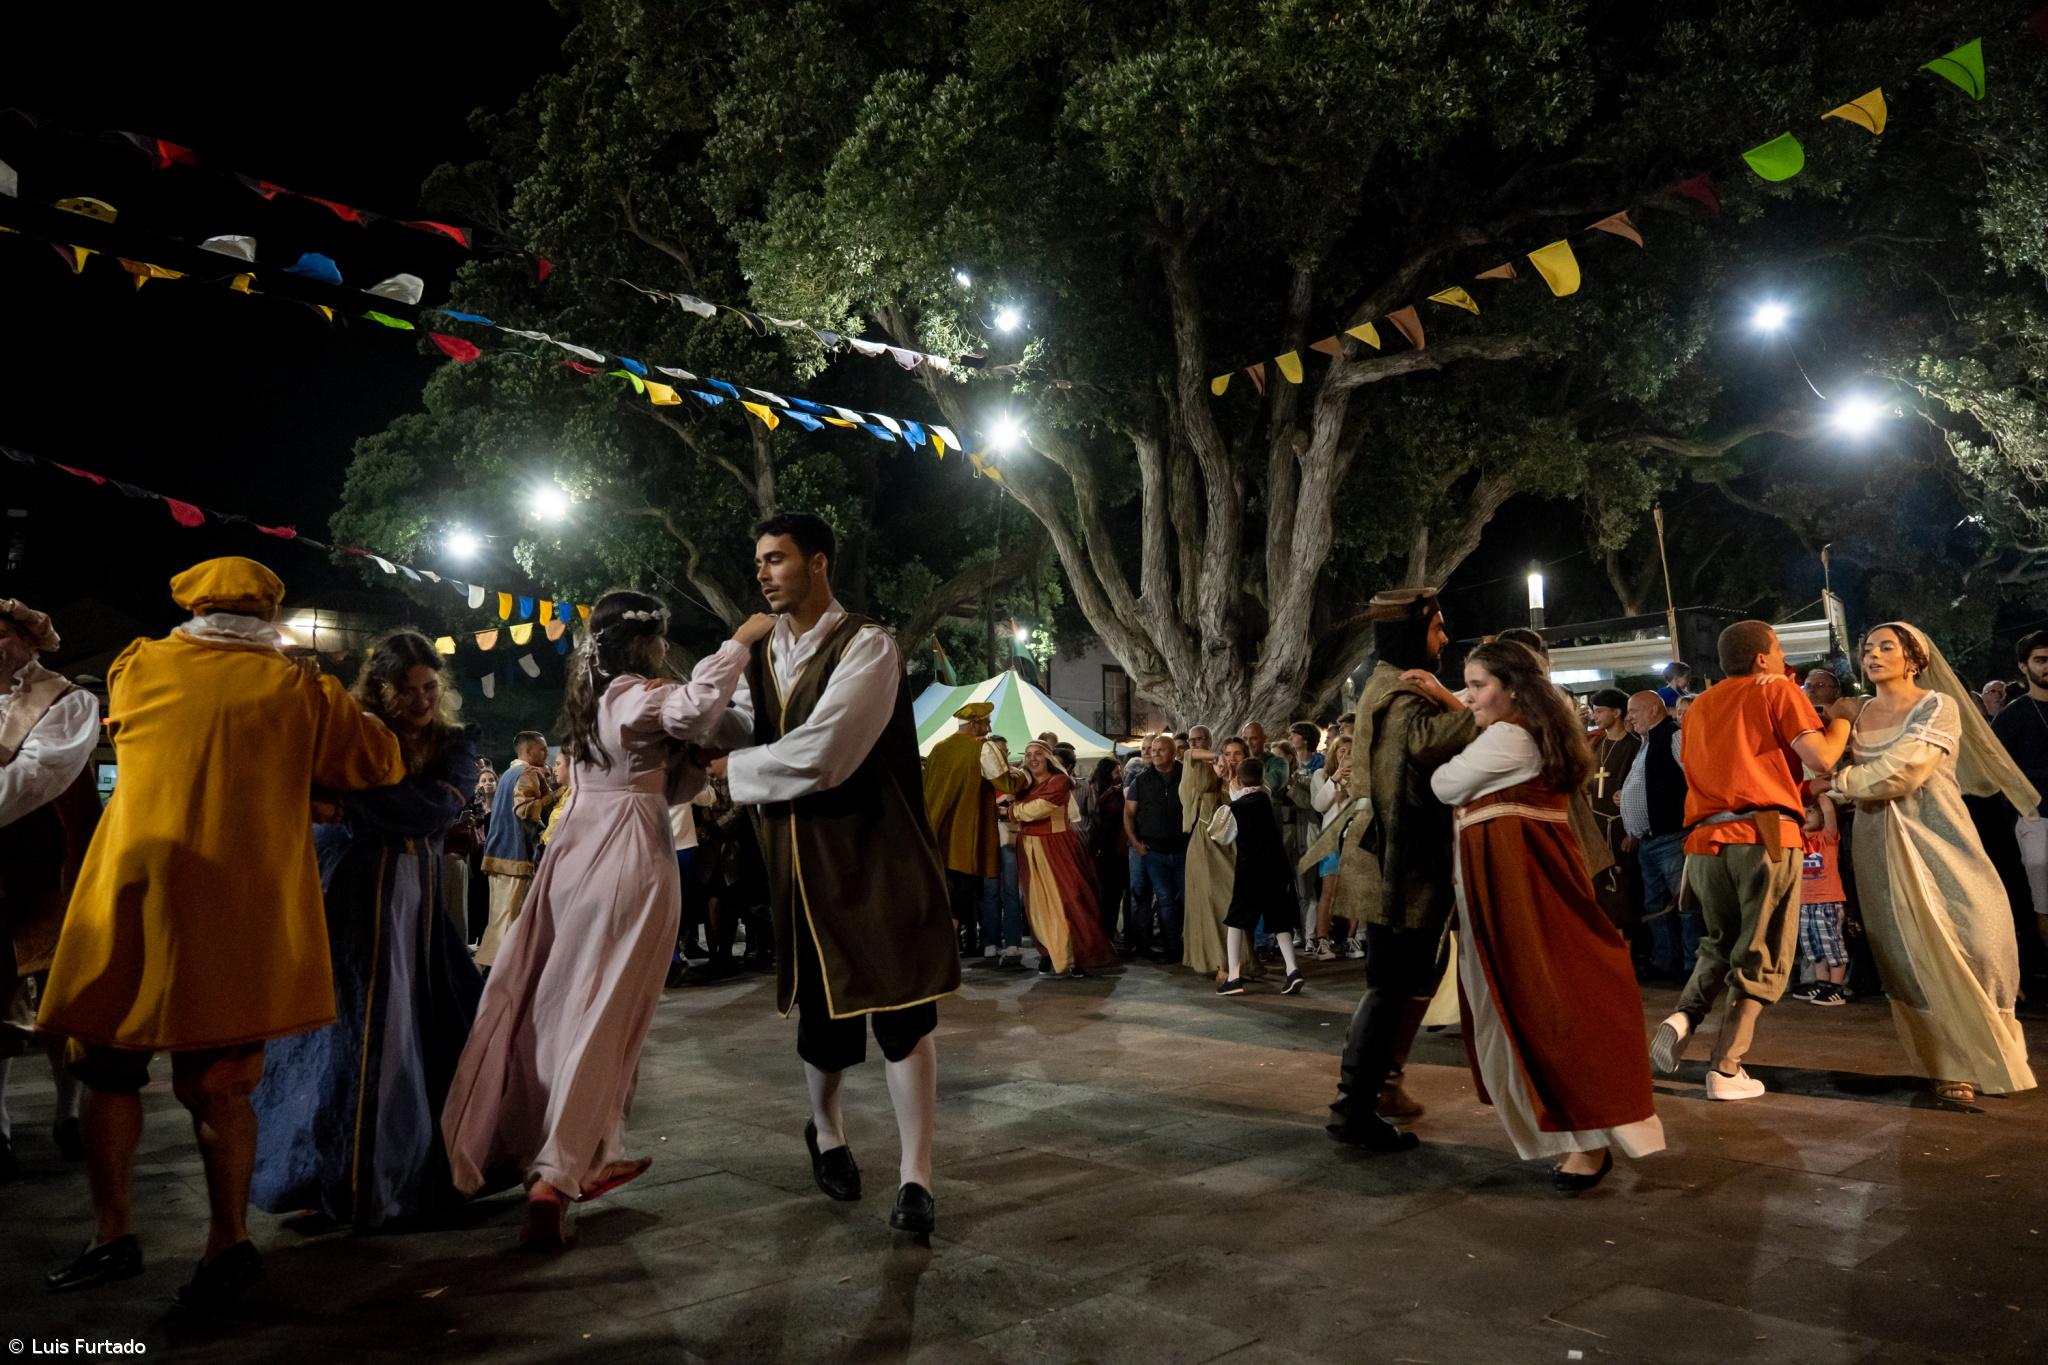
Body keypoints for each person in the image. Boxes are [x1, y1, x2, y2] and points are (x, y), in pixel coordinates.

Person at [38, 557, 404, 1305]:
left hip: (133, 893)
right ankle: (227, 1242)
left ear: (193, 607)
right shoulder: (301, 688)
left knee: (104, 1070)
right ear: (270, 617)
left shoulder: (137, 665)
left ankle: (112, 1236)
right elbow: (378, 762)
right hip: (235, 907)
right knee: (219, 1088)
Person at [444, 593, 769, 1248]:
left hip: (576, 852)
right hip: (628, 855)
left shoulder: (591, 701)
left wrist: (695, 756)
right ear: (648, 642)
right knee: (609, 1011)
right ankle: (558, 1169)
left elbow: (678, 769)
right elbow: (697, 706)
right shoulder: (638, 693)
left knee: (559, 1004)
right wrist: (740, 641)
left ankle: (584, 1150)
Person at [704, 514, 955, 1238]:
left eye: (776, 558)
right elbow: (726, 721)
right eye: (758, 561)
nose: (762, 572)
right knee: (824, 1026)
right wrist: (712, 677)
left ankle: (917, 1177)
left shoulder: (869, 645)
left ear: (819, 563)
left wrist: (732, 769)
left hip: (878, 857)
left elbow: (828, 750)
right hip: (802, 868)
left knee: (904, 1015)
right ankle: (827, 1127)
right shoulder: (762, 654)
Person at [250, 631, 482, 1228]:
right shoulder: (344, 730)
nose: (426, 700)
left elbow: (430, 811)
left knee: (408, 1027)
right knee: (329, 1035)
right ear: (381, 690)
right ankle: (320, 1177)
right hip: (341, 892)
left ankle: (405, 1175)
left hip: (411, 901)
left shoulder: (453, 743)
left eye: (432, 688)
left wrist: (351, 805)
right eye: (412, 692)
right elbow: (302, 787)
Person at [1428, 641, 1664, 1190]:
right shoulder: (1519, 733)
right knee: (1537, 1007)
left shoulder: (1511, 738)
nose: (1469, 697)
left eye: (1478, 685)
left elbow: (1445, 784)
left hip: (1524, 894)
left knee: (1546, 1006)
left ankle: (1589, 1142)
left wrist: (1451, 711)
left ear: (1513, 689)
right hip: (1514, 890)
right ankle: (1577, 1137)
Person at [1818, 623, 2036, 1103]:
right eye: (1868, 648)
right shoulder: (1855, 715)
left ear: (1914, 659)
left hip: (1940, 837)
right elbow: (1818, 763)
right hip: (1877, 845)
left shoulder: (1938, 706)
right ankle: (1946, 1066)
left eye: (1886, 647)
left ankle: (1996, 1053)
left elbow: (1905, 769)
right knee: (1905, 954)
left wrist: (1841, 782)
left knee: (1979, 936)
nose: (1873, 655)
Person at [1649, 621, 1856, 1100]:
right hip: (1763, 837)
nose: (1783, 659)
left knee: (1719, 943)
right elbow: (1822, 756)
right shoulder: (1777, 689)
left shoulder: (1698, 707)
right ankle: (1726, 1068)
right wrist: (1843, 718)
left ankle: (1684, 1017)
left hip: (1705, 841)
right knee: (1763, 953)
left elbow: (1734, 773)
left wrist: (1798, 790)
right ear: (1763, 658)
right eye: (1778, 649)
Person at [1326, 588, 1476, 1152]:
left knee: (1397, 985)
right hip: (1403, 869)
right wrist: (1471, 707)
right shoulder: (1406, 694)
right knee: (1390, 987)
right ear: (1417, 631)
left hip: (1396, 865)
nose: (1444, 638)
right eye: (1438, 628)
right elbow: (1435, 750)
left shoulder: (1384, 684)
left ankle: (1374, 1094)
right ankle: (1355, 1109)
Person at [0, 597, 101, 1179]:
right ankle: (0, 1128)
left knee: (65, 998)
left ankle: (70, 1116)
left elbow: (34, 779)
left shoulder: (68, 700)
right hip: (3, 875)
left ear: (31, 640)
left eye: (3, 636)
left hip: (57, 868)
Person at [924, 702, 1029, 958]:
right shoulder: (982, 748)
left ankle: (935, 948)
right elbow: (1004, 781)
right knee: (961, 895)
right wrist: (1023, 775)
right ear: (974, 724)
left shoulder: (938, 748)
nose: (989, 727)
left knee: (943, 892)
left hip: (936, 831)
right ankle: (945, 954)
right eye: (986, 722)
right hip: (964, 834)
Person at [1014, 741, 1116, 977]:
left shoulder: (1059, 781)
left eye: (1038, 754)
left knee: (1070, 899)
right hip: (1030, 847)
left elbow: (1038, 808)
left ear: (1049, 758)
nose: (1032, 758)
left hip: (1057, 846)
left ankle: (1077, 955)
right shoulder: (1024, 784)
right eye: (1028, 754)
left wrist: (1011, 810)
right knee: (1038, 905)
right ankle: (1049, 952)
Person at [1211, 759, 1305, 996]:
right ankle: (1292, 970)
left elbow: (1222, 835)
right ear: (1262, 777)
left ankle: (1234, 976)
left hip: (1250, 870)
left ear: (1241, 779)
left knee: (1236, 920)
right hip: (1277, 869)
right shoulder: (1268, 800)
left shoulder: (1238, 807)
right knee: (1279, 921)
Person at [1620, 692, 1696, 980]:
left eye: (1634, 711)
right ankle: (1666, 962)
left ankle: (1691, 965)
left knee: (1684, 904)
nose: (1630, 717)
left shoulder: (1673, 737)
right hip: (1649, 840)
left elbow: (1692, 776)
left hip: (1673, 836)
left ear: (1653, 710)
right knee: (1656, 906)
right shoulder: (1647, 741)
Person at [474, 731, 556, 970]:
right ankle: (499, 971)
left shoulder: (508, 773)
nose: (545, 753)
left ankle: (489, 965)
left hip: (496, 854)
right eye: (541, 749)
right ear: (528, 751)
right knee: (510, 918)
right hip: (515, 855)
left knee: (498, 918)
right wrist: (551, 797)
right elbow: (524, 810)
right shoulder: (528, 773)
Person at [1990, 630, 2048, 963]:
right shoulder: (2012, 716)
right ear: (2023, 667)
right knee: (2044, 903)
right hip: (2037, 818)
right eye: (2040, 660)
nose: (2046, 667)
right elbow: (1996, 768)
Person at [1124, 733, 1189, 963]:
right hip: (1154, 852)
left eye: (1161, 750)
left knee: (1186, 899)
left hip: (1183, 850)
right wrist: (1135, 842)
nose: (1155, 753)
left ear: (1173, 753)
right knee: (1164, 899)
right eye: (1153, 750)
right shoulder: (1141, 781)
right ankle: (1172, 949)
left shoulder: (1186, 775)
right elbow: (1129, 814)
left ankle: (1187, 945)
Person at [1584, 688, 1641, 933]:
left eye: (1600, 711)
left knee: (1624, 886)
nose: (1594, 717)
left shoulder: (1634, 746)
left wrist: (1633, 832)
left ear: (1617, 712)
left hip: (1620, 826)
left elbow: (1637, 790)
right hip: (1596, 825)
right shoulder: (1596, 744)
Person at [1790, 789, 1850, 1006]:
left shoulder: (1827, 838)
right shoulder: (1798, 837)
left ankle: (1836, 987)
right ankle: (1821, 983)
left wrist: (1819, 789)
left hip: (1827, 900)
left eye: (1811, 811)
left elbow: (1828, 809)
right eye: (1803, 811)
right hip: (1804, 901)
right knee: (1812, 946)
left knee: (1831, 943)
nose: (1806, 815)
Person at [1088, 757, 1129, 943]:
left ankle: (1110, 931)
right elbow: (1093, 812)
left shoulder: (1121, 790)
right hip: (1104, 847)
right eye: (1116, 772)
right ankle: (1103, 932)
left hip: (1117, 847)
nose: (1119, 775)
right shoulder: (1096, 790)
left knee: (1115, 892)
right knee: (1106, 892)